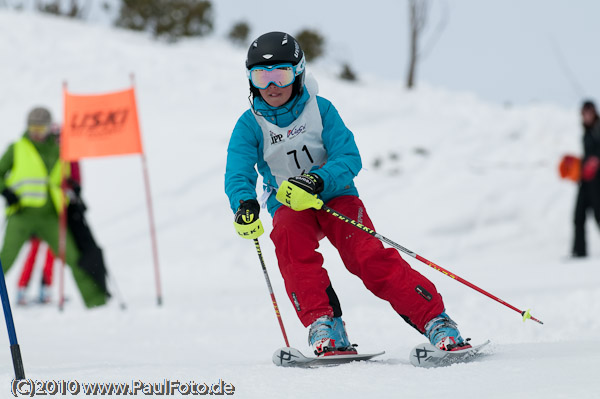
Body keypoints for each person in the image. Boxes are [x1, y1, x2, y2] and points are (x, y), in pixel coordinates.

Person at [225, 32, 469, 355]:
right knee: (288, 240)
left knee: (366, 256)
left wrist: (317, 180)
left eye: (280, 74)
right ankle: (325, 325)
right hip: (289, 205)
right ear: (250, 80)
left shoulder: (320, 110)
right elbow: (238, 171)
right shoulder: (249, 124)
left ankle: (437, 320)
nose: (272, 86)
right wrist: (244, 204)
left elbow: (349, 156)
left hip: (335, 196)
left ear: (297, 73)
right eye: (261, 76)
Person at [0, 106, 107, 308]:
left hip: (51, 216)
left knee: (74, 257)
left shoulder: (61, 150)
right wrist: (6, 191)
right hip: (22, 214)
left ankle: (97, 302)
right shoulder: (17, 148)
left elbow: (64, 179)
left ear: (50, 128)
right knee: (5, 259)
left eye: (41, 128)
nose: (36, 133)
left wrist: (72, 187)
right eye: (33, 128)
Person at [572, 100, 600, 257]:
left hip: (597, 182)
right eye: (584, 113)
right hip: (586, 181)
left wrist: (596, 160)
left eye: (589, 112)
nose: (587, 116)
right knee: (578, 216)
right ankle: (579, 251)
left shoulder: (598, 129)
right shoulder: (586, 132)